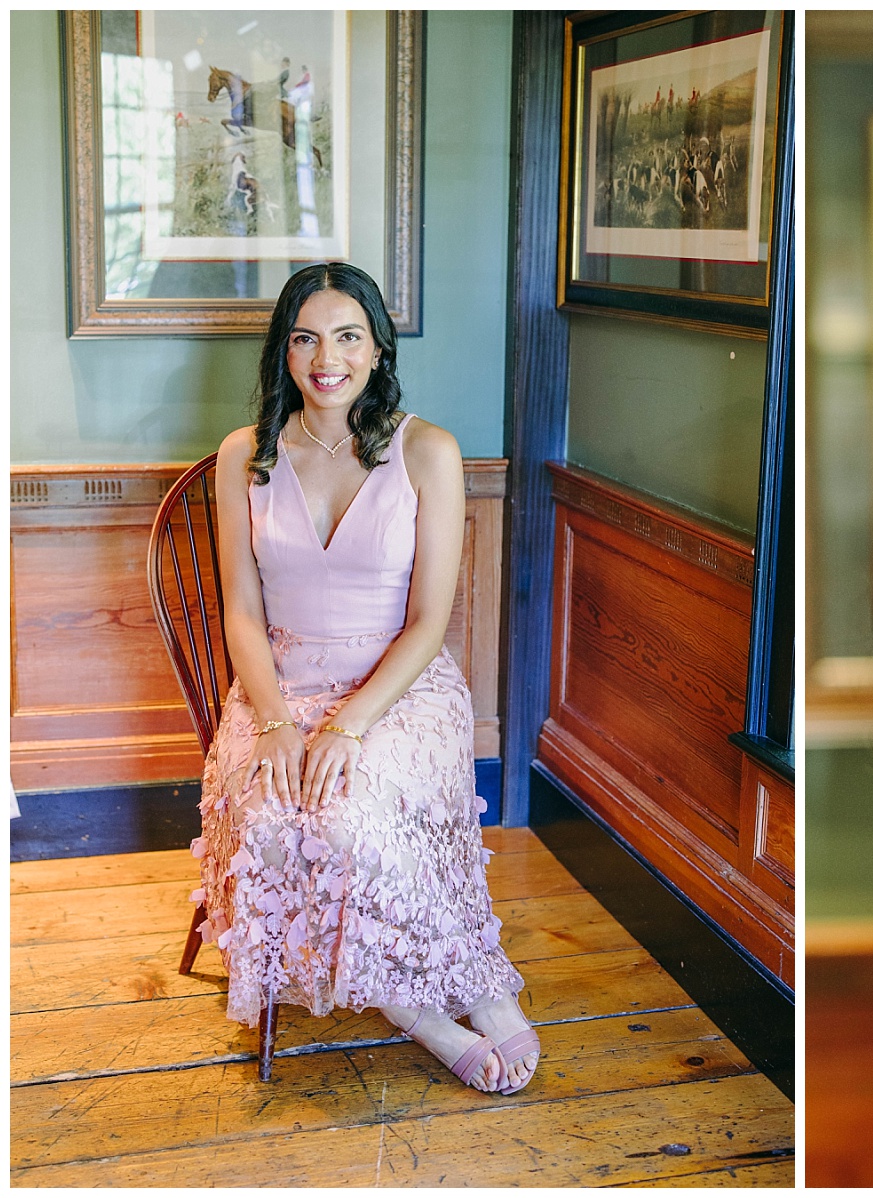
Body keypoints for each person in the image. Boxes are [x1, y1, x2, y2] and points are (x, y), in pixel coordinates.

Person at [193, 262, 541, 1095]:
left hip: (397, 688)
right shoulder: (243, 456)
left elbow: (429, 622)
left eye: (348, 336)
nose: (327, 357)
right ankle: (414, 1011)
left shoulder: (429, 451)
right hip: (278, 682)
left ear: (378, 349)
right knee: (278, 815)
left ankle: (478, 982)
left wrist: (348, 725)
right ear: (284, 351)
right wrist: (274, 718)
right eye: (306, 337)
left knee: (352, 816)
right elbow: (241, 612)